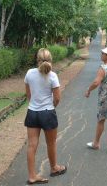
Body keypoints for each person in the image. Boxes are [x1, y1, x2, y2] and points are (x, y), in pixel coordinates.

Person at [24, 48, 67, 184]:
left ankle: (32, 176)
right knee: (51, 143)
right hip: (47, 113)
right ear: (51, 60)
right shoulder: (53, 76)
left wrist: (34, 105)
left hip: (32, 113)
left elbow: (29, 94)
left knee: (31, 145)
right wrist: (51, 106)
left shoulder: (29, 73)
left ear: (37, 59)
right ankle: (54, 168)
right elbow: (57, 98)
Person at [85, 47, 107, 151]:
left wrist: (88, 90)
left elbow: (96, 82)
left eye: (103, 53)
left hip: (105, 98)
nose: (101, 54)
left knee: (101, 120)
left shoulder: (103, 68)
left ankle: (96, 143)